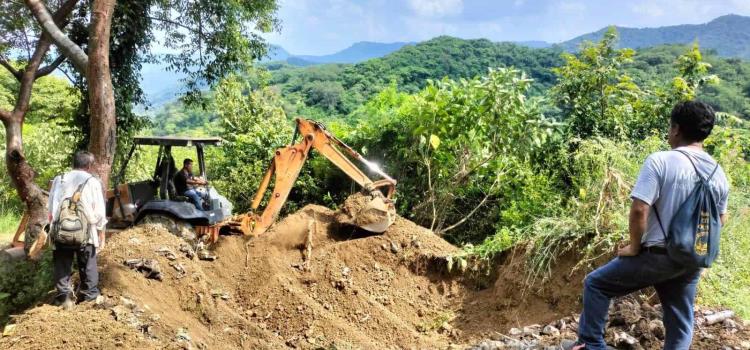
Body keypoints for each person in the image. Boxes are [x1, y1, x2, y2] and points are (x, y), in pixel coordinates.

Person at [562, 101, 730, 350]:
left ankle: (590, 345)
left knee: (596, 284)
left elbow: (640, 208)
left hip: (658, 255)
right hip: (691, 259)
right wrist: (697, 254)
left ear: (675, 129)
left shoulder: (660, 161)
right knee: (680, 320)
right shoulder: (718, 173)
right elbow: (720, 219)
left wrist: (634, 246)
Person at [48, 151, 107, 309]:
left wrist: (53, 230)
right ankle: (90, 298)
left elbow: (50, 210)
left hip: (61, 232)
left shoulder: (58, 180)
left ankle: (64, 298)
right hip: (86, 233)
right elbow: (99, 212)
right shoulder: (92, 181)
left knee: (62, 264)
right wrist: (101, 234)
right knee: (88, 265)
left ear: (74, 163)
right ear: (88, 166)